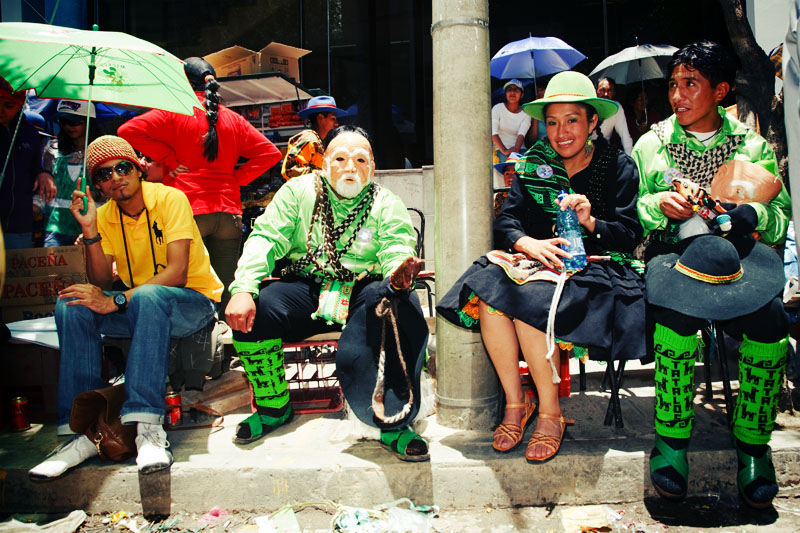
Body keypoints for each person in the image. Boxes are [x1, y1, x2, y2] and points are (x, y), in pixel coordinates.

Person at [437, 71, 646, 463]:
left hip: (595, 271)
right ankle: (518, 402)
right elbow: (508, 221)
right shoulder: (533, 163)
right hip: (539, 263)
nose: (561, 132)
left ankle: (551, 413)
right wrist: (525, 242)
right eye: (552, 122)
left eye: (572, 121)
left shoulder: (617, 166)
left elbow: (629, 232)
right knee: (491, 295)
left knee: (527, 300)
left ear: (592, 122)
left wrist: (589, 222)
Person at [632, 40, 792, 508]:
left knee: (772, 322)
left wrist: (755, 216)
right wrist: (659, 206)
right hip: (676, 256)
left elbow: (781, 217)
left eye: (690, 84)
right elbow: (637, 210)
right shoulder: (651, 144)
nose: (677, 96)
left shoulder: (752, 145)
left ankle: (754, 447)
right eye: (673, 85)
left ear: (720, 91)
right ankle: (672, 444)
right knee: (675, 320)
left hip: (741, 259)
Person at [225, 125, 430, 461]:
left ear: (372, 168)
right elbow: (266, 237)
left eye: (361, 160)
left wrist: (397, 271)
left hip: (364, 288)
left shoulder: (385, 202)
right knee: (256, 309)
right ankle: (274, 408)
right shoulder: (297, 193)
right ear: (323, 163)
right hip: (307, 286)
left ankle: (391, 421)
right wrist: (244, 287)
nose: (351, 167)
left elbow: (396, 243)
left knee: (393, 303)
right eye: (341, 158)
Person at [27, 135, 223, 480]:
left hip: (192, 303)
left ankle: (147, 428)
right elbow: (102, 282)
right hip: (141, 304)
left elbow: (176, 274)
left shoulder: (170, 197)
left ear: (138, 169)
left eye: (123, 167)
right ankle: (81, 429)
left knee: (148, 297)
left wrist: (116, 299)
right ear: (98, 186)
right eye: (104, 174)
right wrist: (89, 230)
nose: (116, 177)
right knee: (72, 304)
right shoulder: (103, 214)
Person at [118, 57, 281, 312]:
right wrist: (234, 180)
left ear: (183, 82)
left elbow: (127, 131)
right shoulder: (233, 120)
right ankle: (228, 343)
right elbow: (271, 153)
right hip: (228, 213)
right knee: (227, 286)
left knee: (188, 285)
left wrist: (169, 160)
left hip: (187, 211)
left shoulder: (173, 113)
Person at [0, 79, 55, 249]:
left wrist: (43, 173)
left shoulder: (29, 133)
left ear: (19, 105)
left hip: (19, 225)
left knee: (18, 275)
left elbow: (34, 168)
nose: (1, 111)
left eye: (8, 105)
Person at [41, 100, 101, 247]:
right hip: (55, 227)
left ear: (89, 122)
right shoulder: (52, 149)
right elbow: (44, 186)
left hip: (93, 227)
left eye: (74, 122)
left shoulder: (101, 152)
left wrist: (96, 195)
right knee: (53, 270)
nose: (68, 126)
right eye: (63, 121)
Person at [281, 95, 348, 180]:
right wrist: (323, 175)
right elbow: (289, 170)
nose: (336, 124)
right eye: (333, 119)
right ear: (320, 118)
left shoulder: (320, 142)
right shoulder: (309, 138)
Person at [492, 79, 532, 168]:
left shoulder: (526, 112)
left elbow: (522, 134)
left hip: (519, 149)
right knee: (505, 167)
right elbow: (493, 132)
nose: (512, 92)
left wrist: (515, 151)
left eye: (516, 90)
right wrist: (505, 150)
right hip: (500, 149)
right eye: (509, 89)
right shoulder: (497, 108)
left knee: (524, 170)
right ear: (505, 94)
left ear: (522, 95)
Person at [596, 77, 634, 155]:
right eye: (602, 90)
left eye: (609, 90)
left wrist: (631, 162)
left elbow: (625, 136)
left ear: (614, 93)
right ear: (596, 91)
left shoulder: (617, 107)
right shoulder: (589, 106)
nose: (606, 94)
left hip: (604, 151)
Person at [492, 151, 521, 218]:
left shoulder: (529, 194)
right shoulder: (500, 196)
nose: (510, 178)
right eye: (507, 174)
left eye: (514, 174)